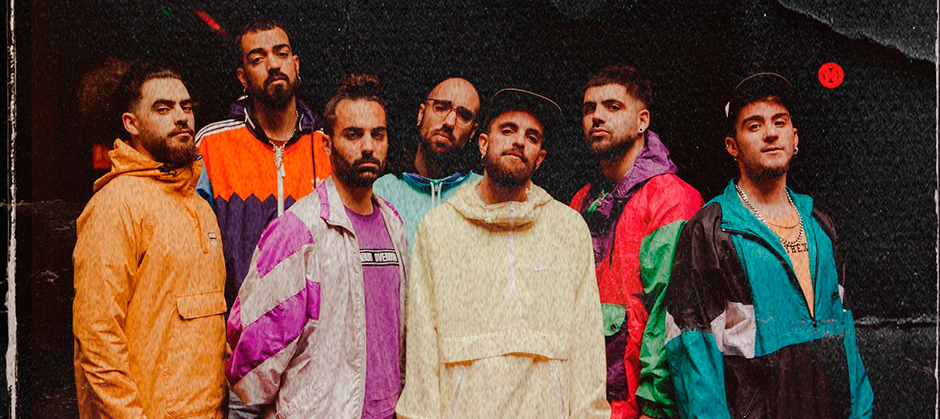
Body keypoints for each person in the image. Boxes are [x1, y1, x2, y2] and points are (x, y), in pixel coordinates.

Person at [665, 73, 874, 419]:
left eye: (780, 122)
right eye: (754, 125)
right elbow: (693, 355)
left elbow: (846, 339)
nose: (771, 133)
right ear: (732, 146)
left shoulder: (820, 225)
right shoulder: (710, 229)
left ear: (795, 138)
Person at [396, 88, 611, 419]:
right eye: (508, 130)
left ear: (540, 158)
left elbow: (587, 345)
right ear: (483, 144)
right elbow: (423, 345)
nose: (519, 141)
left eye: (531, 137)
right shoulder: (439, 230)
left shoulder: (567, 230)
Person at [225, 74, 409, 419]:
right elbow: (253, 363)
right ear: (326, 144)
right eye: (353, 134)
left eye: (377, 134)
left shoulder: (394, 225)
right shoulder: (299, 230)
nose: (368, 146)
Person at [73, 62, 226, 419]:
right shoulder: (114, 205)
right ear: (132, 124)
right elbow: (98, 339)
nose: (182, 117)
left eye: (186, 107)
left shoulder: (201, 207)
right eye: (163, 108)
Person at [570, 65, 703, 419]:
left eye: (613, 106)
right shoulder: (581, 202)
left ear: (642, 121)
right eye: (589, 108)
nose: (597, 117)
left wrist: (655, 408)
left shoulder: (672, 198)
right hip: (585, 404)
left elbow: (672, 313)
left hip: (642, 408)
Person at [195, 18, 332, 307]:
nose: (273, 65)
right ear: (243, 77)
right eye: (258, 59)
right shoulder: (211, 145)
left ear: (296, 64)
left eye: (281, 54)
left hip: (315, 325)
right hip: (237, 324)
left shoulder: (326, 147)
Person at [373, 77, 482, 250]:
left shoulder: (484, 193)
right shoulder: (381, 192)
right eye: (441, 108)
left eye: (464, 116)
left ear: (473, 132)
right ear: (421, 114)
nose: (449, 122)